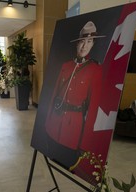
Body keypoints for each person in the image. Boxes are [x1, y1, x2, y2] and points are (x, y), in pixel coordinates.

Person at [44, 21, 105, 184]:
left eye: (90, 42)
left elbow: (92, 110)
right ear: (77, 42)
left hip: (73, 130)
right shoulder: (65, 66)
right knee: (53, 158)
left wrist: (84, 144)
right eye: (82, 41)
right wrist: (47, 122)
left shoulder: (96, 70)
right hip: (54, 124)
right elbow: (53, 96)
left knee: (67, 169)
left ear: (93, 45)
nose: (85, 46)